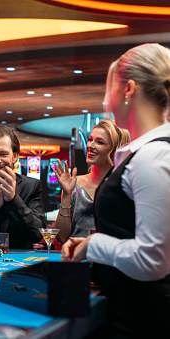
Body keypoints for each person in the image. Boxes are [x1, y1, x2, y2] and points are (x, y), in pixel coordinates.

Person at [62, 43, 170, 337]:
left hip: (144, 318)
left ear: (129, 89)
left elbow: (152, 260)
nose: (106, 100)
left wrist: (91, 246)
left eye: (109, 88)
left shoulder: (152, 156)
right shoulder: (147, 153)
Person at [53, 119, 130, 243]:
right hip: (77, 258)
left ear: (115, 149)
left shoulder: (126, 185)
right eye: (90, 139)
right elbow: (62, 237)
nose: (90, 146)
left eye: (99, 142)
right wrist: (67, 195)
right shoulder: (75, 183)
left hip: (110, 257)